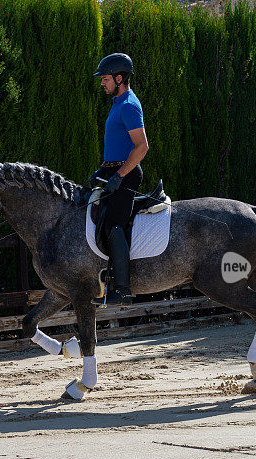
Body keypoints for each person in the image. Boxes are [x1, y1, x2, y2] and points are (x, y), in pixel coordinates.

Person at [89, 53, 149, 306]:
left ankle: (122, 290)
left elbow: (142, 146)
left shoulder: (129, 105)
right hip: (112, 172)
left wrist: (119, 176)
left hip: (126, 175)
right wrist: (103, 171)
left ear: (119, 77)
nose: (102, 83)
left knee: (114, 226)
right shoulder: (117, 102)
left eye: (105, 79)